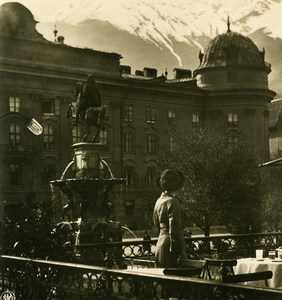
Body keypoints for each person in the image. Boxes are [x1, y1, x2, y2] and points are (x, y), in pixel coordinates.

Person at [153, 169, 186, 268]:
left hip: (160, 245)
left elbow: (157, 225)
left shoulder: (159, 201)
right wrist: (179, 253)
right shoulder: (173, 201)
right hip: (171, 249)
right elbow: (175, 230)